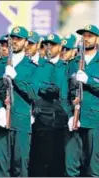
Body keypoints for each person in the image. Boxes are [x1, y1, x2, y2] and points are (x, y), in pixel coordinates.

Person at [0, 26, 37, 177]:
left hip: (21, 121)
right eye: (13, 38)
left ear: (26, 43)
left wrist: (15, 77)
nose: (15, 41)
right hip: (1, 121)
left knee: (20, 165)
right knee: (1, 166)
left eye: (19, 39)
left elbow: (33, 93)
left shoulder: (32, 67)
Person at [30, 33, 72, 176]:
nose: (49, 47)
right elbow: (35, 88)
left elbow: (62, 90)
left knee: (59, 162)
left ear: (60, 47)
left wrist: (46, 88)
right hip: (42, 120)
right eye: (47, 44)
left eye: (53, 44)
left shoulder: (65, 67)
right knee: (41, 161)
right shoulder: (39, 66)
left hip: (62, 121)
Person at [66, 24, 99, 177]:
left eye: (90, 36)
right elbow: (65, 92)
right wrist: (70, 114)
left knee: (94, 166)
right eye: (84, 35)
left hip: (95, 120)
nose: (86, 39)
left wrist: (89, 80)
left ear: (97, 39)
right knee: (71, 166)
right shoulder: (73, 63)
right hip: (75, 120)